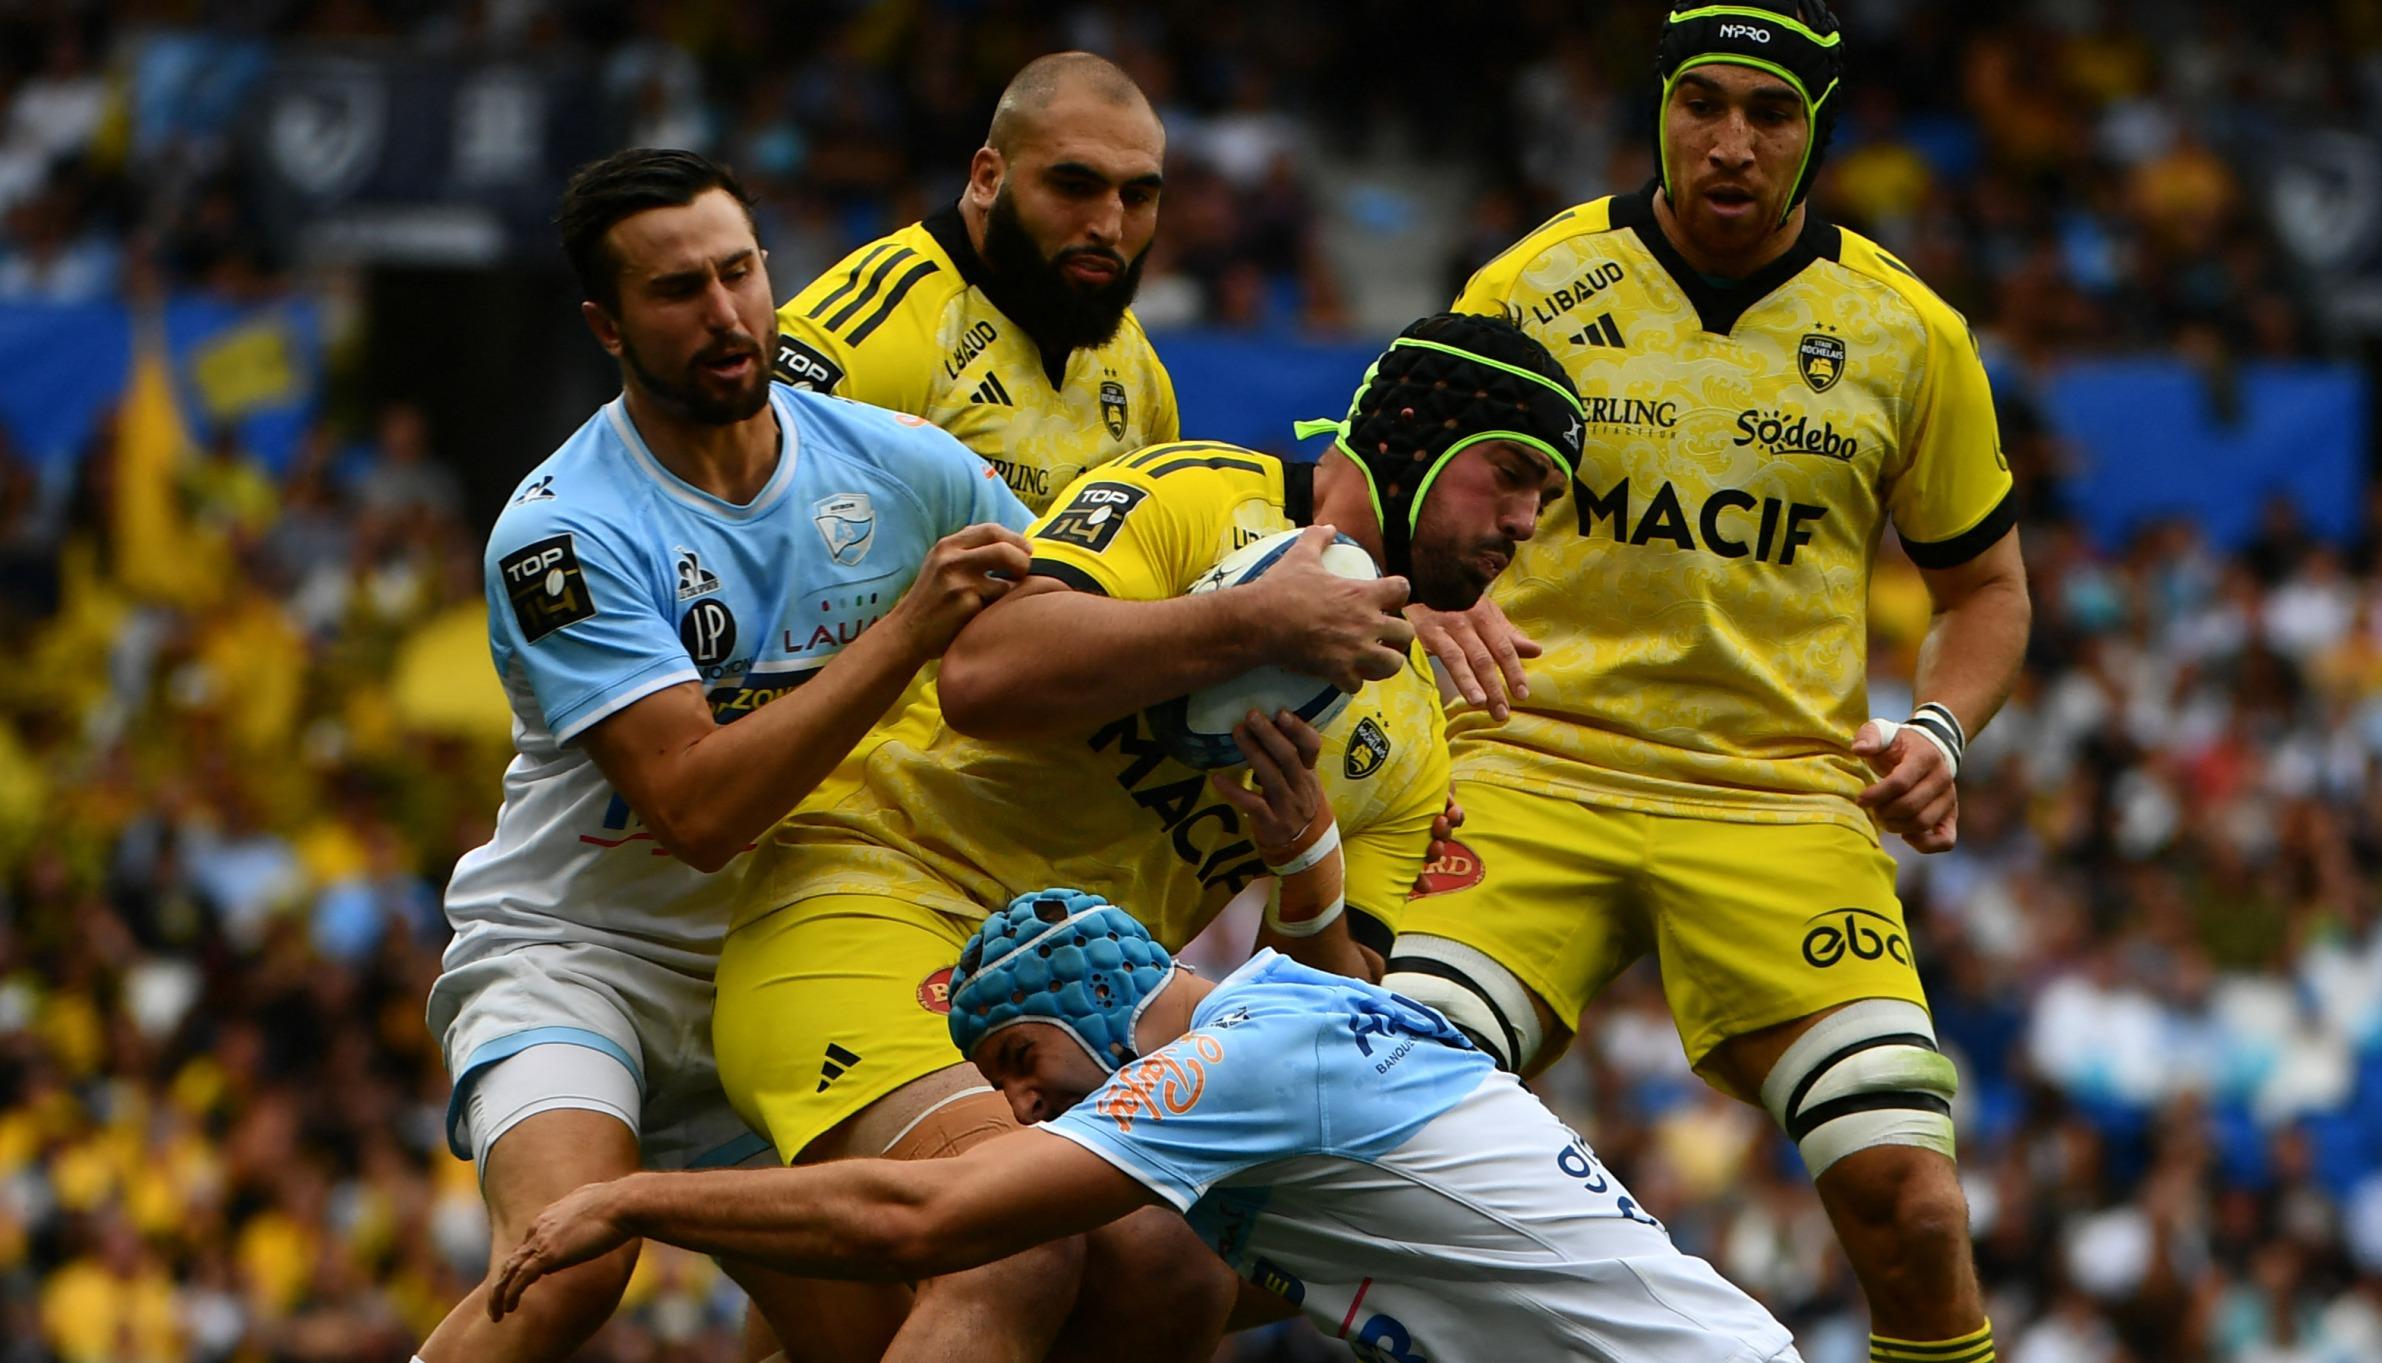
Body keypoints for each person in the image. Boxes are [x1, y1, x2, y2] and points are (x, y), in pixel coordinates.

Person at [710, 311, 1582, 1360]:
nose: (1528, 520)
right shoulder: (1196, 492)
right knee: (1010, 1245)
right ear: (1414, 437)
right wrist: (1257, 625)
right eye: (1511, 473)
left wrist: (1305, 867)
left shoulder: (1412, 738)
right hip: (873, 905)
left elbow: (1317, 1019)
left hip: (1082, 1031)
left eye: (1546, 494)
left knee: (1177, 1263)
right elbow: (983, 675)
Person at [1401, 7, 2029, 1363]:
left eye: (1771, 112)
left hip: (1782, 801)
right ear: (1661, 108)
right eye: (1704, 105)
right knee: (1370, 1127)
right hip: (1530, 768)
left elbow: (1988, 590)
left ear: (1819, 127)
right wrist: (1440, 599)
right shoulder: (1535, 285)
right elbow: (1389, 490)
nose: (1731, 143)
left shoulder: (1907, 331)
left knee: (1913, 1207)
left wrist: (1939, 729)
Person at [413, 148, 1033, 1363]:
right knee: (567, 1266)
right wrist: (909, 625)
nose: (726, 313)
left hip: (785, 973)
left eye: (741, 272)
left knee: (898, 1331)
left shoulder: (902, 466)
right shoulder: (563, 533)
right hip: (581, 957)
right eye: (677, 290)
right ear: (606, 323)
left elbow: (1077, 614)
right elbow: (697, 809)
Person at [490, 892, 1806, 1363]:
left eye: (1015, 1060)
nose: (1016, 1103)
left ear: (1087, 998)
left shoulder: (1235, 1061)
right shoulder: (1285, 1044)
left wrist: (638, 1197)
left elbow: (928, 1214)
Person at [772, 51, 1178, 511]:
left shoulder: (1138, 368)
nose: (1109, 226)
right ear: (988, 179)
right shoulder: (870, 331)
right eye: (1074, 187)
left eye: (1138, 196)